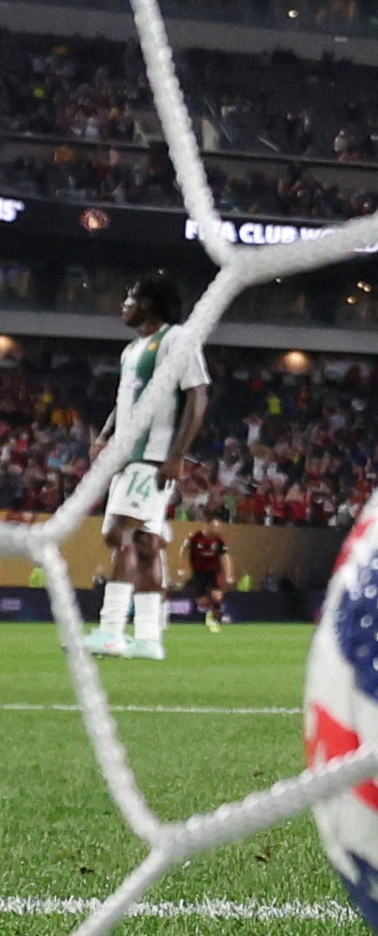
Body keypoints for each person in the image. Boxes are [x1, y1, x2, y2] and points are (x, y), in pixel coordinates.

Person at [85, 275, 210, 661]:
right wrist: (105, 434)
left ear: (150, 305)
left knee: (118, 533)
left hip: (150, 458)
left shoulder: (177, 340)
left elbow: (197, 397)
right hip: (130, 456)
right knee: (145, 542)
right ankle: (148, 638)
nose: (124, 304)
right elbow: (126, 400)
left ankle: (109, 632)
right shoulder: (132, 350)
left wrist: (176, 455)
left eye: (130, 297)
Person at [182, 522, 233, 632]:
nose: (216, 529)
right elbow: (184, 550)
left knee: (217, 596)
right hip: (198, 572)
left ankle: (216, 617)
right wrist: (182, 566)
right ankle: (212, 614)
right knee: (203, 602)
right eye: (214, 527)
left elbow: (225, 557)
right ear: (207, 526)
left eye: (217, 527)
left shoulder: (219, 540)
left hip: (213, 572)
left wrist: (228, 574)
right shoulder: (195, 537)